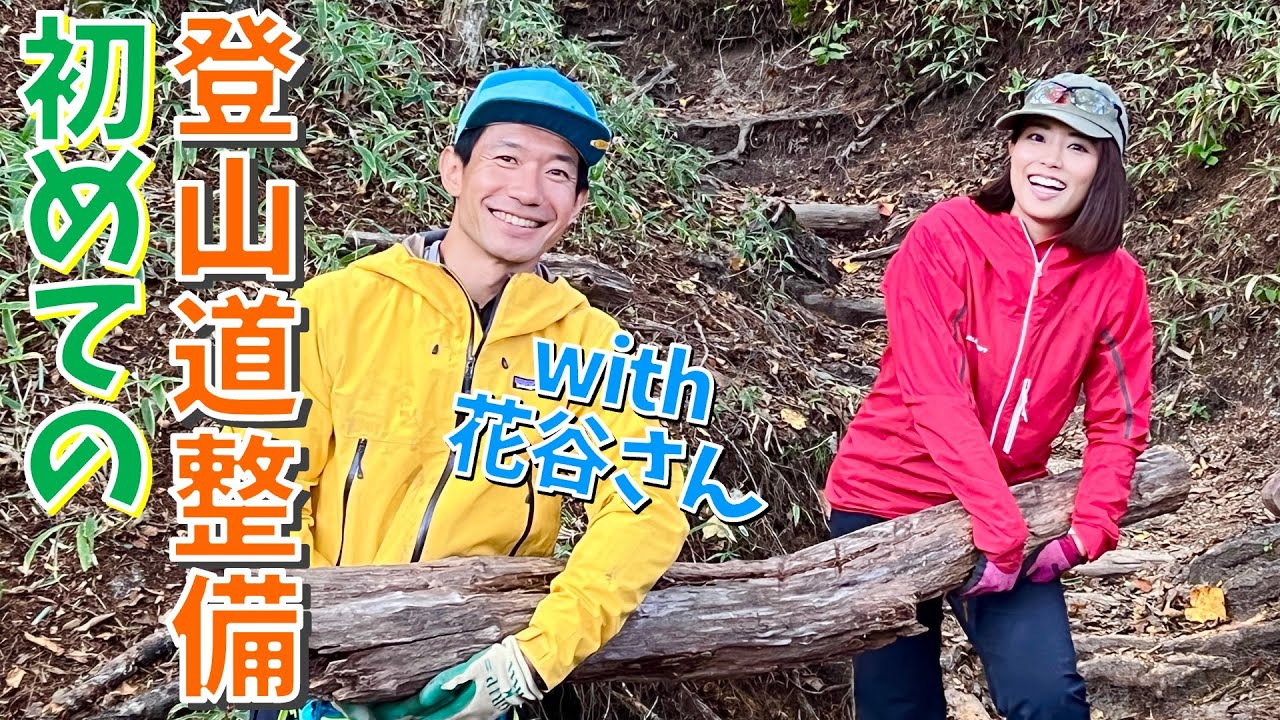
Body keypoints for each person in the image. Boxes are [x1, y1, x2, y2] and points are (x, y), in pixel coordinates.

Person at [257, 66, 689, 720]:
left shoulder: (595, 348)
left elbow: (648, 507)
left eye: (557, 172)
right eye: (505, 158)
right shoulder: (336, 306)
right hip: (320, 673)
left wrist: (533, 661)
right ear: (453, 171)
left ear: (577, 205)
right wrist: (318, 642)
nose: (527, 191)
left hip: (482, 675)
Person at [823, 73, 1153, 720]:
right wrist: (998, 526)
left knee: (1049, 698)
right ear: (1012, 148)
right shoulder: (945, 235)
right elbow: (933, 391)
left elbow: (1119, 418)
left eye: (1077, 147)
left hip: (1013, 506)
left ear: (1104, 169)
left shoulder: (1116, 281)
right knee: (899, 709)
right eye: (1036, 137)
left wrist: (1093, 524)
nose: (1050, 161)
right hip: (884, 502)